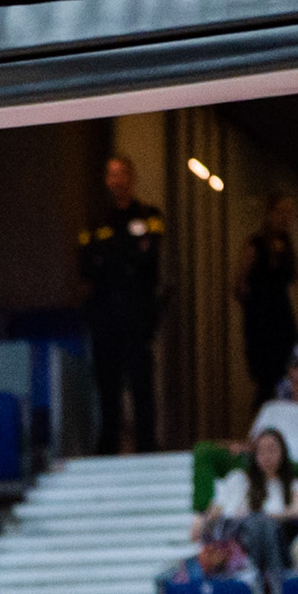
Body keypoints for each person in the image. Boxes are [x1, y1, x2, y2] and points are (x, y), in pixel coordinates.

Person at [77, 153, 166, 455]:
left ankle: (146, 446)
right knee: (107, 384)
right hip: (105, 314)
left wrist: (112, 257)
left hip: (138, 312)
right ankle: (109, 447)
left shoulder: (149, 215)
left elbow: (148, 258)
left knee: (141, 382)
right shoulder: (96, 220)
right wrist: (123, 257)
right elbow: (87, 265)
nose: (117, 181)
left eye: (121, 174)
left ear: (131, 177)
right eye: (111, 175)